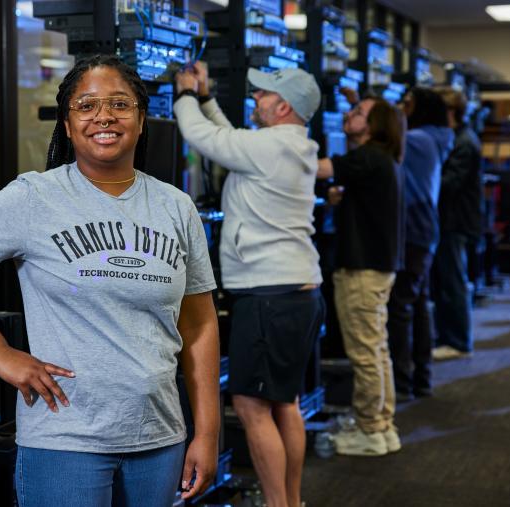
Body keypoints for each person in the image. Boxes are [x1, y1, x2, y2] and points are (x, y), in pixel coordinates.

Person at [0, 55, 220, 507]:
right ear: (67, 124)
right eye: (86, 106)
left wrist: (208, 432)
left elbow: (199, 326)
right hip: (65, 438)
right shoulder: (34, 197)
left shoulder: (175, 208)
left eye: (119, 104)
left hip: (159, 437)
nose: (104, 116)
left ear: (141, 120)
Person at [174, 62, 325, 507]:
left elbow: (205, 139)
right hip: (298, 291)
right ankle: (291, 501)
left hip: (268, 297)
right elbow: (230, 142)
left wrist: (184, 94)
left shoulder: (271, 146)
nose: (255, 100)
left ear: (283, 107)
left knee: (251, 407)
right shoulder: (291, 145)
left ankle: (279, 505)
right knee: (285, 403)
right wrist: (205, 100)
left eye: (263, 96)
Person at [317, 97, 406, 456]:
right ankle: (381, 424)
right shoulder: (384, 160)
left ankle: (370, 431)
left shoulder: (368, 157)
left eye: (358, 113)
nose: (349, 115)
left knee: (365, 353)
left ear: (374, 125)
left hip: (363, 270)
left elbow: (320, 168)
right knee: (377, 350)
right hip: (379, 267)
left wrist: (277, 146)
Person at [387, 87, 454, 400]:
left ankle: (402, 383)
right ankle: (421, 377)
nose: (402, 107)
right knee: (417, 305)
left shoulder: (419, 140)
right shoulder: (435, 137)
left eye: (407, 103)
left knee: (401, 307)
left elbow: (385, 142)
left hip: (413, 231)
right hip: (423, 230)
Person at [431, 87, 483, 360]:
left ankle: (459, 341)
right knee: (447, 282)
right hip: (451, 221)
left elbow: (449, 184)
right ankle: (448, 337)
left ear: (450, 111)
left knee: (453, 282)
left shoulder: (464, 141)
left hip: (456, 222)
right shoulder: (459, 138)